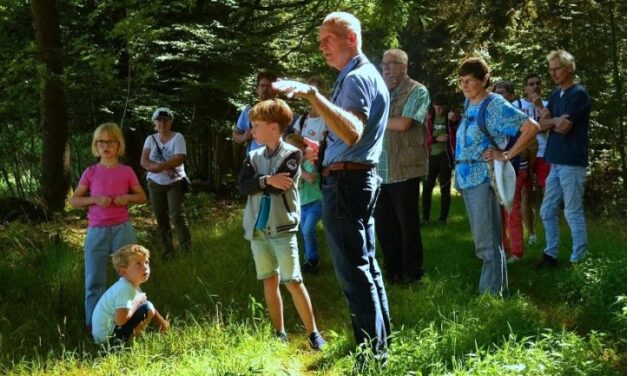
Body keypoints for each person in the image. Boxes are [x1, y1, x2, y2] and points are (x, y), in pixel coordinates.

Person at [273, 11, 391, 364]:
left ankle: (371, 359)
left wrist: (313, 95)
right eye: (320, 39)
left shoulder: (356, 78)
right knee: (367, 266)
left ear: (351, 38)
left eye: (328, 38)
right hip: (355, 178)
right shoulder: (359, 76)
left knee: (354, 271)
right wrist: (320, 150)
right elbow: (350, 137)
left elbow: (353, 130)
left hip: (347, 183)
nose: (321, 45)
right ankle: (382, 347)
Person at [237, 99, 326, 350]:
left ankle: (313, 333)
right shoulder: (252, 156)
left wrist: (261, 181)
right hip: (257, 230)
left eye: (256, 125)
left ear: (274, 127)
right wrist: (266, 180)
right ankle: (279, 332)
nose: (252, 130)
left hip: (283, 228)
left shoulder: (293, 154)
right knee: (269, 280)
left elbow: (283, 184)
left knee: (293, 281)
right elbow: (243, 185)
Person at [455, 57, 539, 295]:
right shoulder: (469, 103)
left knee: (488, 241)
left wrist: (506, 154)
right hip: (467, 178)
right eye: (462, 81)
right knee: (485, 239)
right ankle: (496, 291)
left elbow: (531, 127)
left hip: (484, 179)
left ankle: (490, 295)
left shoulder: (494, 104)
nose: (465, 86)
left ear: (484, 80)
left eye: (470, 81)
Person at [70, 122, 147, 334]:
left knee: (131, 276)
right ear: (96, 145)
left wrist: (127, 197)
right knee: (94, 278)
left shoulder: (126, 171)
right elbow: (74, 200)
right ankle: (94, 325)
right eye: (101, 141)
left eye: (111, 141)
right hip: (97, 230)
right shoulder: (91, 172)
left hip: (123, 228)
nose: (106, 146)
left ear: (118, 145)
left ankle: (132, 321)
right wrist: (94, 199)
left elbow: (142, 197)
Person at [375, 48, 430, 284]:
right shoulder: (379, 92)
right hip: (379, 171)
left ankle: (412, 273)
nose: (386, 68)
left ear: (404, 67)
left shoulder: (417, 91)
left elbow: (404, 124)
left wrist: (374, 120)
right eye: (383, 64)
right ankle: (392, 272)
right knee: (384, 225)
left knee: (408, 225)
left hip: (405, 169)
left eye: (392, 63)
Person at [535, 50, 591, 267]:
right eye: (550, 69)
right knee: (547, 210)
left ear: (569, 68)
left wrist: (554, 121)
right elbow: (541, 126)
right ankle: (550, 256)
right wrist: (553, 120)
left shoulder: (578, 94)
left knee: (572, 211)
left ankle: (579, 260)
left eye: (557, 68)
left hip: (572, 162)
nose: (553, 73)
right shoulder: (556, 95)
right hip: (555, 161)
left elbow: (565, 127)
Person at [493, 81, 538, 263]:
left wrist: (529, 166)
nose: (500, 97)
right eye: (496, 93)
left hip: (516, 167)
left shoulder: (516, 116)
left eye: (503, 93)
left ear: (512, 96)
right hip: (496, 169)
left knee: (513, 210)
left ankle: (517, 252)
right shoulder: (493, 115)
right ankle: (503, 248)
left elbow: (531, 142)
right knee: (499, 211)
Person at [91, 244, 169, 346]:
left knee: (147, 306)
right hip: (108, 340)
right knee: (147, 308)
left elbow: (144, 302)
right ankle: (126, 346)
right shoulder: (125, 288)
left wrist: (163, 324)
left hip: (109, 334)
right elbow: (120, 320)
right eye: (138, 264)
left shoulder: (131, 284)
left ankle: (129, 341)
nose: (145, 267)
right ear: (124, 271)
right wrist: (137, 301)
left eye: (146, 262)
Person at [141, 107, 192, 258]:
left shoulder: (178, 137)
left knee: (177, 215)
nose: (162, 123)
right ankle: (168, 251)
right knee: (161, 218)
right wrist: (162, 169)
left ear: (170, 122)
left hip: (174, 182)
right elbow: (144, 161)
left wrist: (158, 166)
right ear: (154, 122)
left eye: (165, 120)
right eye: (159, 120)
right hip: (155, 183)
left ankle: (186, 249)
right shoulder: (151, 139)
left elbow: (179, 158)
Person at [285, 133, 323, 273]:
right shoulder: (291, 166)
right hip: (301, 205)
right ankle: (309, 261)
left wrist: (297, 169)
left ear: (301, 148)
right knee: (304, 232)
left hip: (316, 202)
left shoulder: (309, 162)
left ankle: (313, 259)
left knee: (307, 230)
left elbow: (312, 178)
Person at [520, 74, 550, 246]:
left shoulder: (546, 105)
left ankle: (549, 231)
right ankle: (531, 234)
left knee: (548, 195)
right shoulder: (518, 106)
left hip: (545, 154)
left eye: (538, 83)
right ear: (525, 87)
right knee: (526, 195)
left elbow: (549, 125)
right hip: (525, 155)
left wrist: (539, 106)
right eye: (531, 84)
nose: (535, 86)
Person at [423, 93, 459, 225]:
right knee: (427, 187)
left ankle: (443, 218)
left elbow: (459, 132)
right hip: (431, 155)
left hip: (446, 156)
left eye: (442, 108)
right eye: (438, 108)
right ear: (433, 106)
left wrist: (455, 121)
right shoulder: (428, 117)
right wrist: (435, 139)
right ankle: (425, 218)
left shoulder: (451, 117)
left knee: (445, 187)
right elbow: (422, 139)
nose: (440, 111)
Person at [233, 71, 279, 153]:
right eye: (262, 85)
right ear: (257, 89)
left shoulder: (283, 111)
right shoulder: (248, 111)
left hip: (278, 161)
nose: (265, 89)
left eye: (269, 86)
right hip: (253, 162)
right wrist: (244, 137)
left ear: (276, 90)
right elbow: (235, 135)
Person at [292, 76, 329, 143]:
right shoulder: (302, 119)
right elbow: (295, 145)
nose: (311, 94)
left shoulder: (330, 119)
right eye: (308, 91)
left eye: (314, 91)